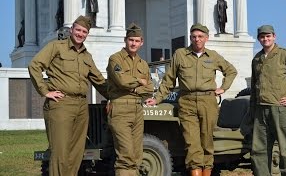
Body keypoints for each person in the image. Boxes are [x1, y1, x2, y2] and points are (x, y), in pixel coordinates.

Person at [145, 23, 237, 176]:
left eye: (200, 37)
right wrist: (157, 99)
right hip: (186, 102)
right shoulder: (180, 54)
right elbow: (169, 80)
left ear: (206, 38)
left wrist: (222, 88)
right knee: (192, 143)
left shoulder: (213, 56)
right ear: (190, 38)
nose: (197, 40)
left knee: (207, 142)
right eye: (194, 37)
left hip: (208, 102)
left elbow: (231, 71)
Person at [28, 15, 109, 176]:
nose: (80, 33)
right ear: (71, 29)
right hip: (61, 104)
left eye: (84, 31)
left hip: (81, 107)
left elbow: (99, 81)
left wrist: (115, 96)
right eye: (78, 30)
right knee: (60, 153)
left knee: (76, 153)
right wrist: (45, 91)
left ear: (87, 34)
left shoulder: (87, 56)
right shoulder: (56, 47)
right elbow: (34, 65)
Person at [250, 25, 286, 176]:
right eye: (262, 37)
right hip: (261, 110)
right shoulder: (257, 58)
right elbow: (254, 86)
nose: (265, 39)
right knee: (259, 151)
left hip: (280, 109)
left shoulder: (285, 54)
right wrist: (253, 110)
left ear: (274, 37)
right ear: (259, 39)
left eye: (268, 36)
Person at [106, 23, 154, 176]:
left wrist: (134, 86)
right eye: (130, 40)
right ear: (125, 40)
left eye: (136, 40)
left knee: (136, 155)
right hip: (120, 109)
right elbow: (121, 81)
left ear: (142, 42)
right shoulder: (115, 59)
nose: (133, 43)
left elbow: (150, 88)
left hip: (137, 110)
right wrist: (139, 82)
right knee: (125, 155)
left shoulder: (143, 64)